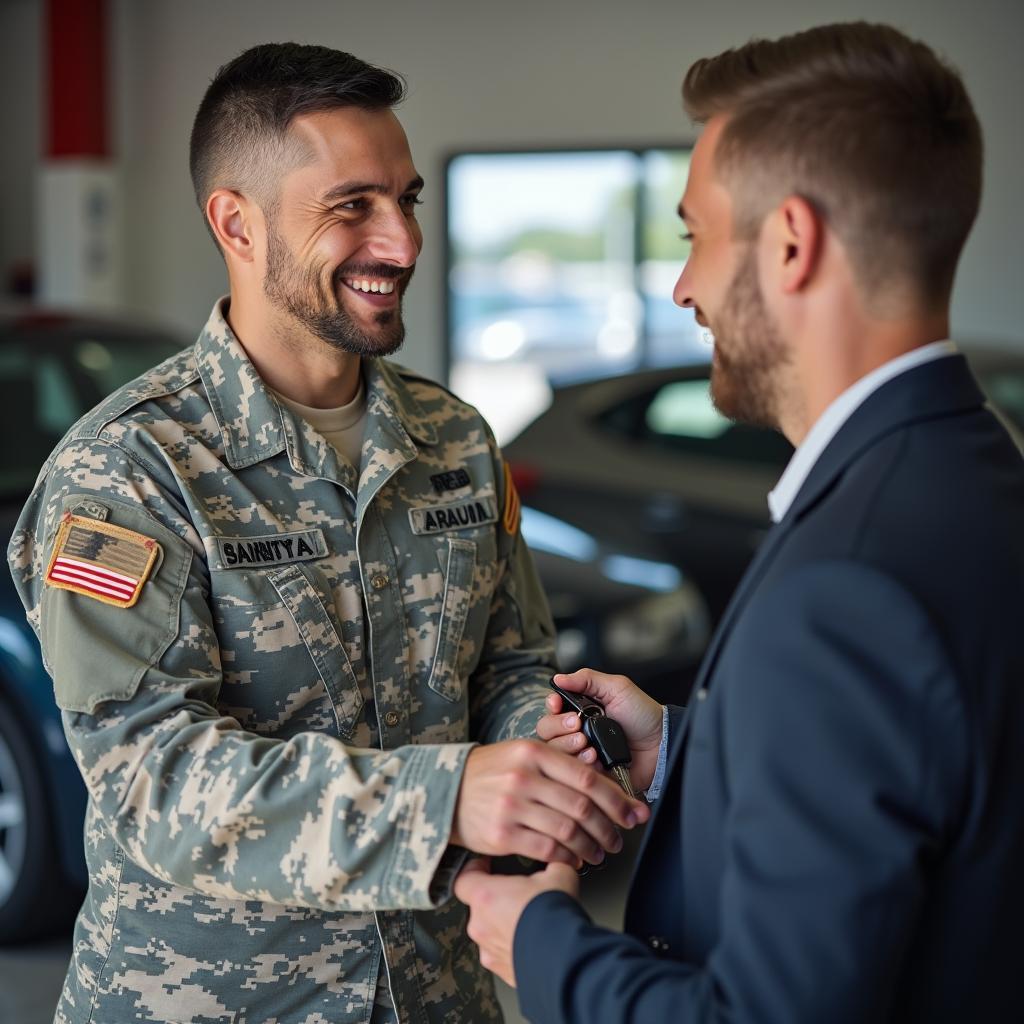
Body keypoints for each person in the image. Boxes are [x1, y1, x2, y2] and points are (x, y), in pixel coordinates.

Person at [8, 43, 648, 1024]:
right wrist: (448, 799)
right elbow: (153, 780)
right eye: (352, 206)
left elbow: (510, 664)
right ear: (237, 223)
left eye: (407, 199)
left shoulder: (454, 439)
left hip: (437, 994)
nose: (400, 241)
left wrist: (544, 763)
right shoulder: (131, 470)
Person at [454, 21, 1024, 1023]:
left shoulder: (846, 582)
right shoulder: (976, 472)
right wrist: (684, 750)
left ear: (791, 244)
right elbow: (929, 782)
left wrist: (540, 941)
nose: (683, 286)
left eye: (693, 235)